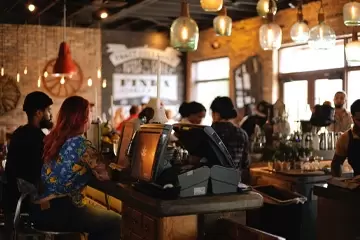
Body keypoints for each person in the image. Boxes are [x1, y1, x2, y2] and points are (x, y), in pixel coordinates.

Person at [30, 96, 121, 240]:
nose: (91, 115)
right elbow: (105, 175)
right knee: (115, 221)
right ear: (83, 117)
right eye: (90, 112)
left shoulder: (55, 139)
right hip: (60, 211)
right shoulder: (81, 144)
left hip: (41, 209)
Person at [3, 91, 53, 237]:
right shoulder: (39, 139)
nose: (50, 115)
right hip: (29, 204)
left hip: (14, 201)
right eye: (48, 110)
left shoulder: (19, 133)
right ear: (39, 113)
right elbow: (43, 176)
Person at [210, 97, 250, 181]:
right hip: (234, 182)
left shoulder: (209, 132)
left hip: (212, 182)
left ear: (216, 114)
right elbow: (245, 162)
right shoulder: (242, 133)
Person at [331, 99, 360, 177]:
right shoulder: (345, 139)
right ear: (352, 118)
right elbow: (336, 165)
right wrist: (338, 182)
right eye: (359, 120)